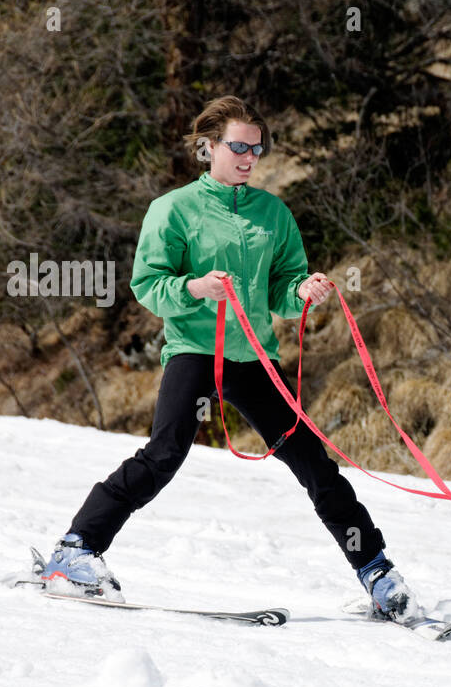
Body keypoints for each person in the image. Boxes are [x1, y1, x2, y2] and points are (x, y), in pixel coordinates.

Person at [36, 96, 415, 620]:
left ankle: (375, 569)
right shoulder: (173, 209)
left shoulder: (272, 213)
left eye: (256, 149)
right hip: (194, 350)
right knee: (165, 452)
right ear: (207, 147)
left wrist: (302, 290)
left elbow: (281, 287)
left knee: (310, 460)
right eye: (237, 146)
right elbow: (148, 285)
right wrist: (194, 287)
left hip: (253, 354)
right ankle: (75, 551)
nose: (248, 157)